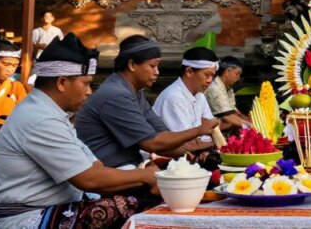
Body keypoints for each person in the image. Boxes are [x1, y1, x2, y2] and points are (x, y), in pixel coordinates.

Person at [0, 33, 158, 229]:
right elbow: (89, 179)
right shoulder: (40, 118)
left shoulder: (50, 112)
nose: (89, 91)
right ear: (61, 82)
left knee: (137, 197)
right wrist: (146, 176)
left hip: (51, 207)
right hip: (22, 218)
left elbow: (96, 167)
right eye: (85, 83)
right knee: (126, 206)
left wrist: (145, 177)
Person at [75, 35, 219, 169]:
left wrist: (190, 149)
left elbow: (161, 131)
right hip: (108, 170)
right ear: (132, 65)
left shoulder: (136, 92)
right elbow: (153, 143)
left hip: (131, 165)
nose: (157, 72)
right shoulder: (116, 94)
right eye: (152, 66)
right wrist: (198, 131)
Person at [152, 47, 222, 167]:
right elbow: (188, 144)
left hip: (189, 159)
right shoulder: (174, 97)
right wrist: (215, 142)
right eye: (207, 75)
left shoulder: (200, 95)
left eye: (212, 76)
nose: (210, 80)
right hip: (164, 162)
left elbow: (212, 128)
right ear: (189, 71)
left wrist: (211, 139)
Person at [205, 56, 251, 131]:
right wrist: (252, 127)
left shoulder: (229, 89)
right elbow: (228, 116)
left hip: (225, 123)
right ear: (227, 71)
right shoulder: (215, 88)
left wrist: (248, 120)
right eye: (237, 74)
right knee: (229, 123)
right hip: (212, 130)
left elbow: (235, 111)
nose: (238, 78)